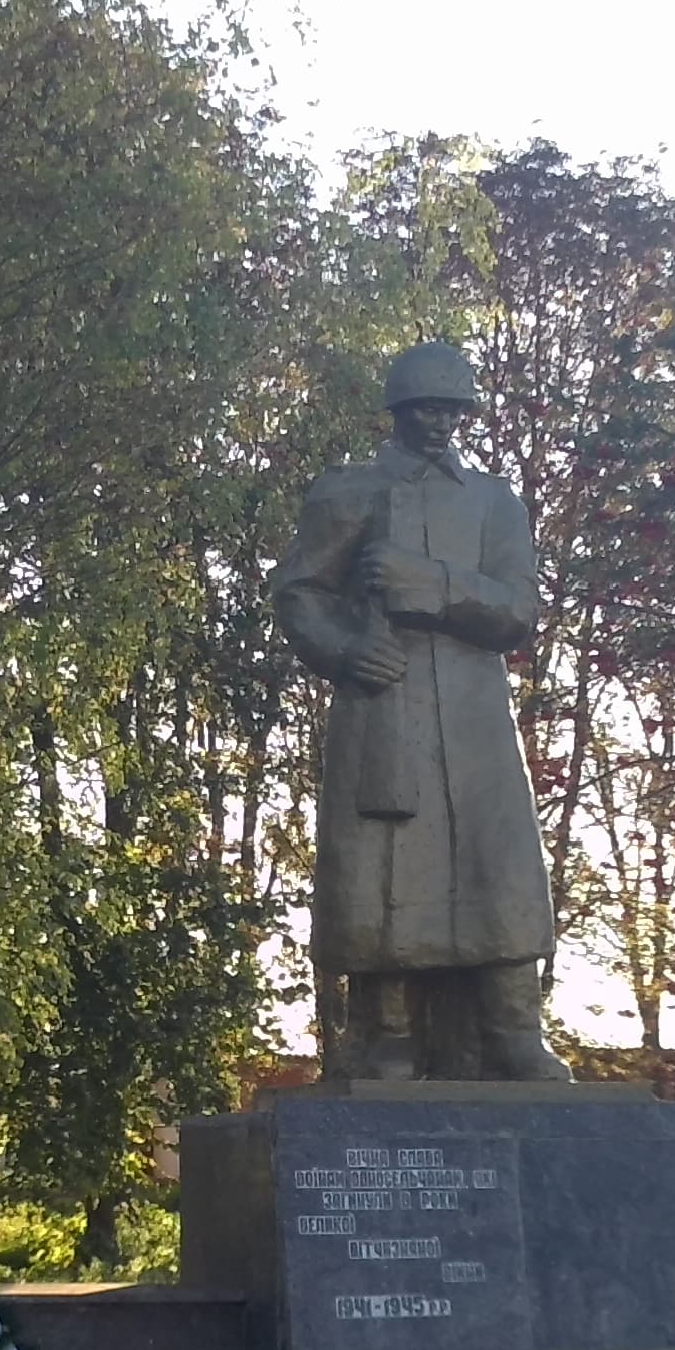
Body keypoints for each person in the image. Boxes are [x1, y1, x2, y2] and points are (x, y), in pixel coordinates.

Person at [268, 341, 572, 1081]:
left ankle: (513, 1028)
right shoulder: (347, 492)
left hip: (474, 717)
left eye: (452, 409)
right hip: (386, 705)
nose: (440, 423)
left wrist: (431, 582)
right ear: (400, 412)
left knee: (496, 859)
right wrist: (343, 652)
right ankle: (388, 1034)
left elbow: (518, 609)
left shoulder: (494, 502)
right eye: (427, 408)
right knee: (383, 866)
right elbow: (299, 592)